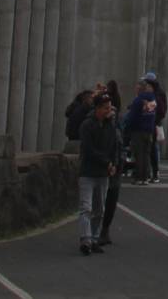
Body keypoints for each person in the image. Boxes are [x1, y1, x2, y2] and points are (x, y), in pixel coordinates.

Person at [76, 88, 121, 256]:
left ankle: (94, 238)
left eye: (110, 108)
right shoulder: (88, 125)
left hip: (103, 172)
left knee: (99, 208)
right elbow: (89, 149)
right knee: (86, 207)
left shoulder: (110, 126)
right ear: (97, 109)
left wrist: (114, 163)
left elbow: (114, 147)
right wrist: (107, 162)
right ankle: (85, 239)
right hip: (88, 171)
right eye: (105, 108)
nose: (108, 111)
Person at [97, 82, 124, 246]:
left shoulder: (116, 123)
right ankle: (95, 232)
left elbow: (119, 142)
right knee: (98, 199)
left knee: (110, 198)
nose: (109, 111)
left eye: (111, 108)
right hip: (102, 165)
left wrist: (118, 163)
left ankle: (104, 230)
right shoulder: (94, 123)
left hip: (114, 164)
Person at [122, 77, 158, 184]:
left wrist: (128, 127)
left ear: (140, 89)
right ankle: (146, 177)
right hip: (149, 129)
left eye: (137, 87)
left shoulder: (138, 100)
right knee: (146, 154)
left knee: (138, 154)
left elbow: (132, 117)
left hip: (138, 130)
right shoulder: (153, 100)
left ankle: (139, 177)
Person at [144, 69, 168, 179]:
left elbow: (161, 110)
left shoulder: (156, 95)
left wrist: (154, 119)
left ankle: (154, 171)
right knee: (152, 147)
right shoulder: (158, 93)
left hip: (153, 123)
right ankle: (152, 171)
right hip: (154, 122)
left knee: (152, 148)